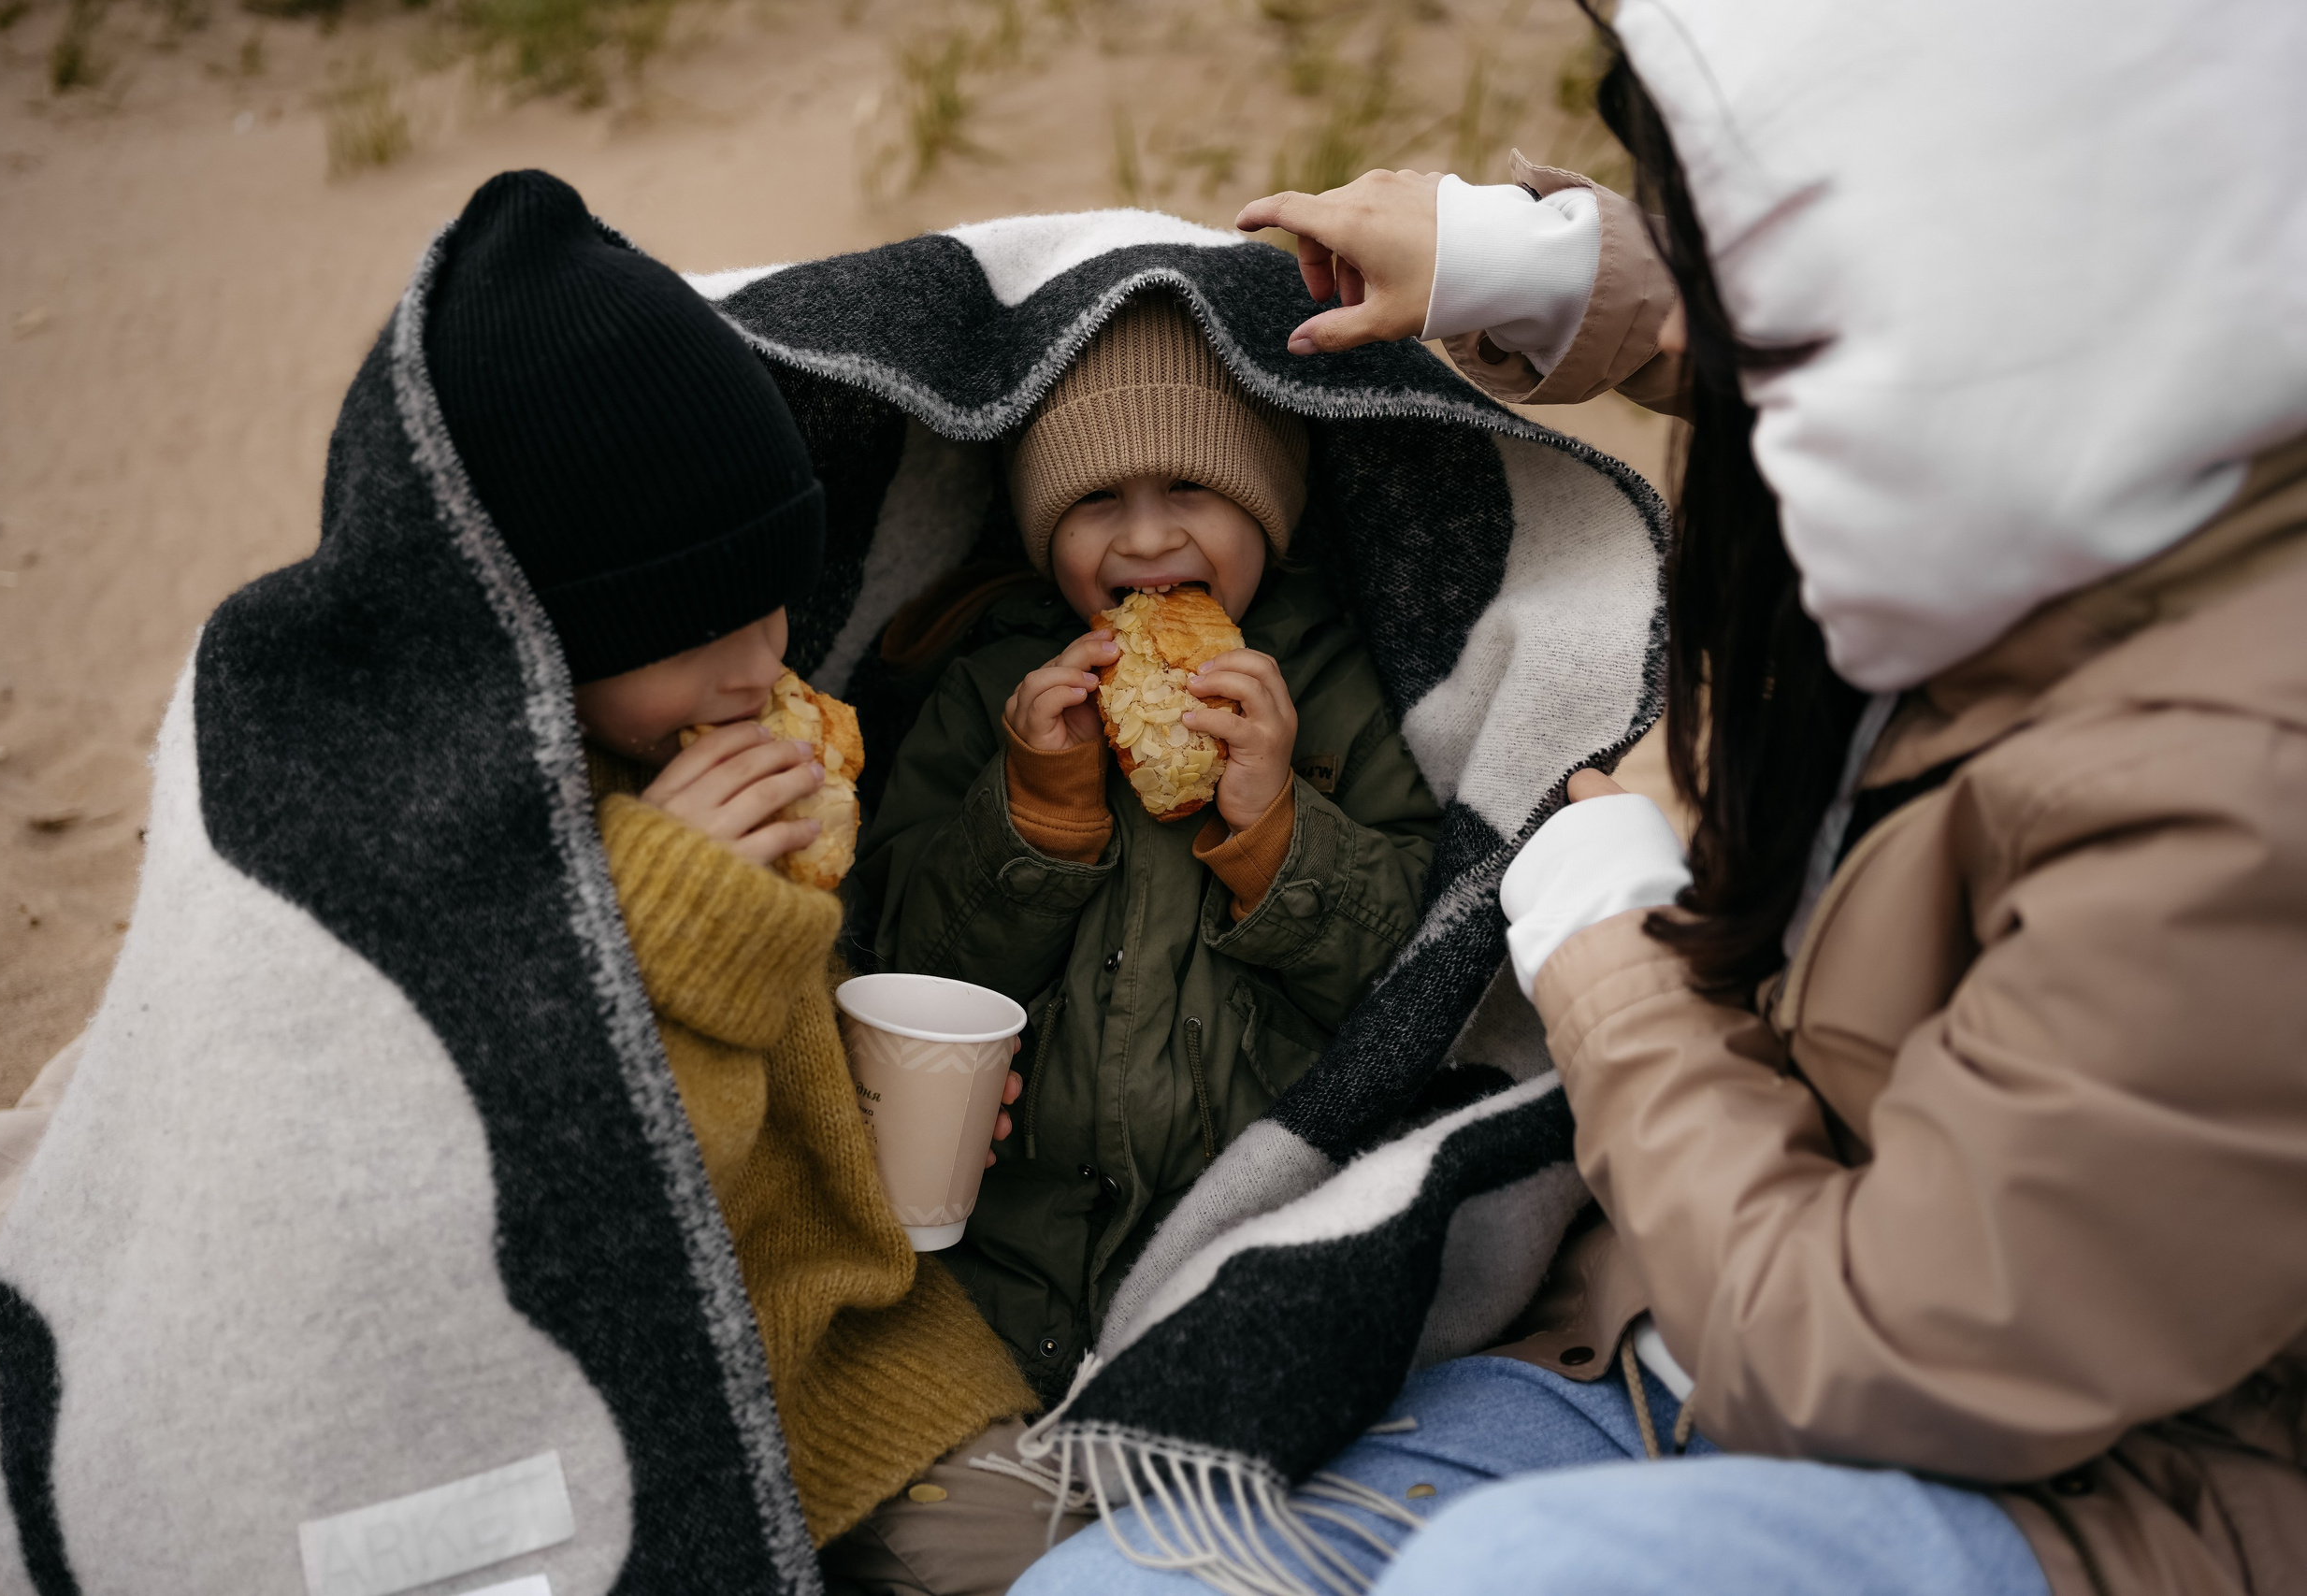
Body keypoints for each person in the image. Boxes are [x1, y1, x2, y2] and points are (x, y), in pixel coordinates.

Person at [1013, 0, 2307, 1591]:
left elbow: (1893, 1355)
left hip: (2061, 1483)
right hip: (1637, 1330)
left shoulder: (2244, 790)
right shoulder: (2074, 385)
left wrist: (1599, 931)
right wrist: (1576, 279)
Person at [424, 173, 1066, 1595]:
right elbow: (542, 1217)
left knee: (1052, 1549)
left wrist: (862, 1083)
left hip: (849, 1350)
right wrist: (670, 920)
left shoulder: (732, 751)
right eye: (688, 631)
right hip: (622, 1411)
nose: (756, 663)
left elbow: (784, 1079)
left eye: (772, 598)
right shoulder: (469, 834)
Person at [853, 292, 1442, 1399]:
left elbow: (1413, 983)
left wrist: (1274, 823)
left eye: (1191, 489)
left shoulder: (1343, 690)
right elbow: (911, 972)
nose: (1145, 536)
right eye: (1094, 503)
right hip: (1001, 1261)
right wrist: (1035, 808)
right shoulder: (991, 689)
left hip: (1242, 1247)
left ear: (1268, 508)